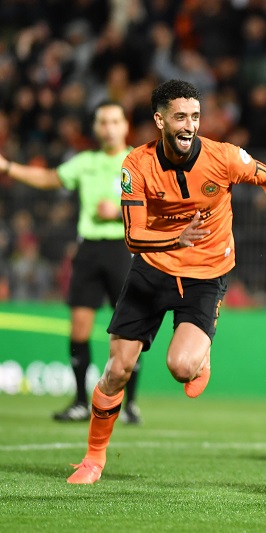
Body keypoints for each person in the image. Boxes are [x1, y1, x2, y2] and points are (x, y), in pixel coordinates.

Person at [66, 79, 266, 484]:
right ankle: (93, 459)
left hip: (206, 274)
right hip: (151, 270)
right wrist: (174, 239)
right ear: (159, 120)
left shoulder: (223, 157)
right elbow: (133, 236)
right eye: (180, 117)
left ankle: (201, 349)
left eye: (195, 116)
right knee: (117, 370)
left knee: (181, 368)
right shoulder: (136, 164)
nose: (189, 125)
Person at [0, 102, 144, 424]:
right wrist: (8, 168)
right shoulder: (86, 162)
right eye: (103, 122)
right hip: (89, 248)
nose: (109, 127)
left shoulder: (139, 161)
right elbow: (49, 178)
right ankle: (80, 401)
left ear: (125, 126)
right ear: (96, 128)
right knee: (79, 327)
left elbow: (156, 205)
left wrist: (121, 213)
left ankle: (130, 404)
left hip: (124, 248)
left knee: (129, 329)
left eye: (114, 121)